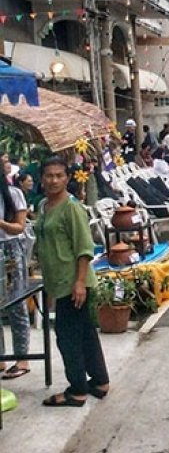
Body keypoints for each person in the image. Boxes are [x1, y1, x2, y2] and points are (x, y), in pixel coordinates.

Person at [36, 158, 109, 406]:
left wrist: (79, 282)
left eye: (59, 175)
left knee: (67, 336)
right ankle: (100, 381)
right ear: (41, 178)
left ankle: (77, 390)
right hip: (57, 281)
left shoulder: (72, 207)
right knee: (86, 332)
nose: (54, 180)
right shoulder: (43, 205)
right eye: (49, 175)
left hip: (73, 283)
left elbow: (84, 249)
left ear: (67, 178)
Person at [0, 171, 32, 380]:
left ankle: (22, 358)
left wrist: (0, 223)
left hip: (10, 250)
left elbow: (19, 227)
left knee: (16, 302)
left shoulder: (13, 194)